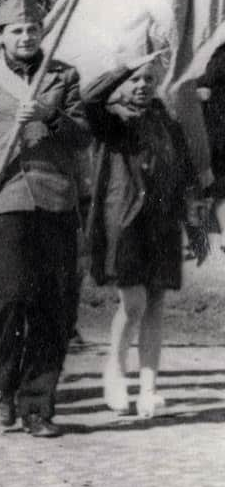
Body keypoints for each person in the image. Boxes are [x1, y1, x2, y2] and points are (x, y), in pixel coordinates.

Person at [0, 0, 85, 439]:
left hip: (55, 199)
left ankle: (37, 406)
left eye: (32, 28)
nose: (26, 36)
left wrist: (50, 115)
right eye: (17, 30)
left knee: (54, 307)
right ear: (1, 37)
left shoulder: (63, 77)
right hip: (4, 199)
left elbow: (82, 135)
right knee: (9, 298)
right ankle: (0, 385)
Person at [83, 55, 200, 419]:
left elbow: (183, 171)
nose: (141, 86)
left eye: (148, 79)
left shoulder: (165, 120)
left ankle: (149, 388)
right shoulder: (111, 119)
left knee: (155, 305)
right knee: (132, 302)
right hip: (126, 221)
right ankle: (115, 371)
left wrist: (193, 216)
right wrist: (123, 66)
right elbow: (89, 99)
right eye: (134, 80)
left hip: (161, 223)